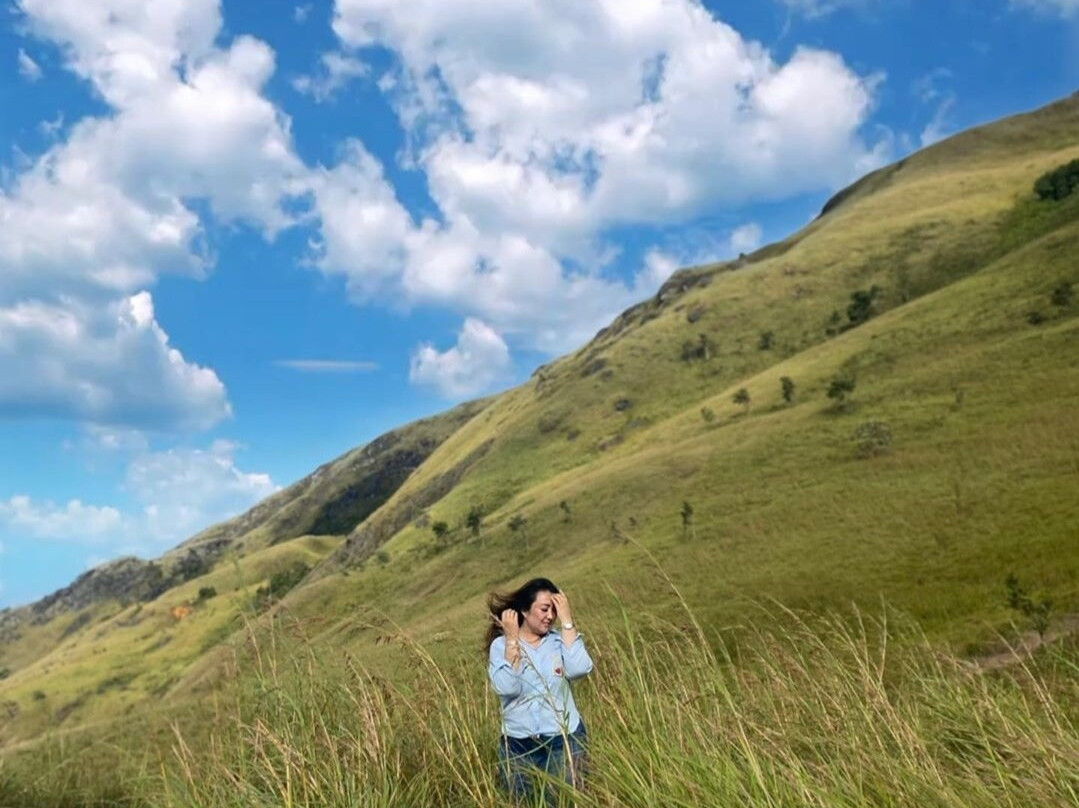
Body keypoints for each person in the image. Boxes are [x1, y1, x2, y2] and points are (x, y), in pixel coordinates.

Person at [486, 577, 594, 802]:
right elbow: (507, 686)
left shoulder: (559, 641)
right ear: (524, 611)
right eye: (545, 609)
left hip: (563, 739)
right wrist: (512, 640)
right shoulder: (500, 646)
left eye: (555, 610)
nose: (550, 616)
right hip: (518, 745)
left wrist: (567, 622)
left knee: (567, 801)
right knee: (520, 801)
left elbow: (580, 669)